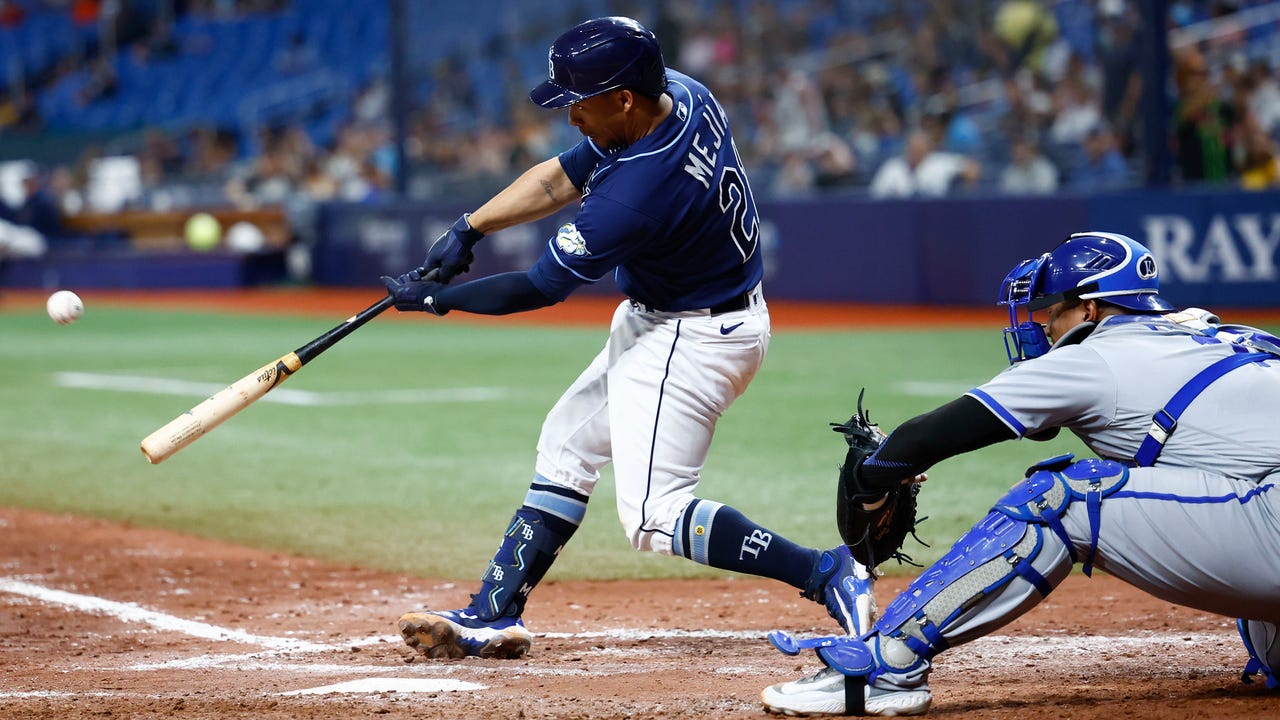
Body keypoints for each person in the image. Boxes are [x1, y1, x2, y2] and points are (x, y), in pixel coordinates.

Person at [381, 16, 873, 660]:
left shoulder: (639, 191)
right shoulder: (680, 94)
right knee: (567, 444)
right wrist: (470, 227)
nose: (569, 115)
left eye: (578, 102)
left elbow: (538, 288)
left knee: (654, 516)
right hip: (682, 317)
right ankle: (493, 612)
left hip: (692, 336)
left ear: (621, 98)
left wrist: (437, 300)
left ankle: (825, 572)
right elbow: (561, 176)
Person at [760, 232, 1280, 716]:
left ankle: (883, 665)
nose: (1041, 327)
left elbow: (932, 436)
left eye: (1051, 312)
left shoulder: (1093, 356)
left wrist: (873, 478)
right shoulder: (1217, 331)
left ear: (1090, 309)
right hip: (1263, 504)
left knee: (1059, 496)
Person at [868, 129, 980, 198]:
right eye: (913, 148)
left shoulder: (940, 162)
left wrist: (965, 193)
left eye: (919, 148)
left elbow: (972, 169)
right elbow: (875, 195)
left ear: (927, 148)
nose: (916, 152)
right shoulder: (892, 167)